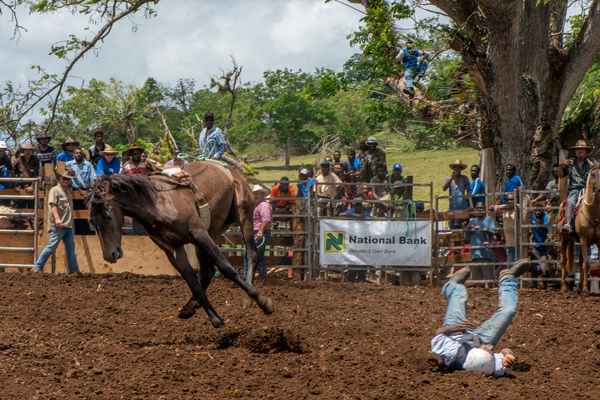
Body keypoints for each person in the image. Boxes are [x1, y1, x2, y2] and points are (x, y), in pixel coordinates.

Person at [431, 259, 531, 376]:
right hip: (480, 340)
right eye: (492, 351)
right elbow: (504, 350)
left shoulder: (452, 352)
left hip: (454, 333)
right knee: (508, 311)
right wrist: (507, 355)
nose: (491, 347)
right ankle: (508, 277)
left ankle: (451, 285)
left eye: (487, 349)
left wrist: (457, 327)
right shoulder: (490, 366)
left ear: (475, 352)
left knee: (460, 292)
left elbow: (439, 334)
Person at [33, 168, 81, 274]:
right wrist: (57, 219)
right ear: (60, 178)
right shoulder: (55, 190)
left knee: (70, 248)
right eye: (64, 178)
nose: (66, 181)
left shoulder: (67, 192)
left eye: (68, 179)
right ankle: (38, 266)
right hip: (59, 224)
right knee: (52, 246)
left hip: (68, 225)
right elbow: (52, 205)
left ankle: (75, 271)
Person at [560, 140, 597, 233]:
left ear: (585, 151)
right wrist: (561, 165)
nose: (580, 151)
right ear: (575, 151)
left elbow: (597, 173)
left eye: (582, 149)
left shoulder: (591, 162)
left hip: (588, 189)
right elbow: (561, 175)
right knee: (570, 201)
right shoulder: (570, 162)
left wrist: (594, 167)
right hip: (575, 189)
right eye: (577, 149)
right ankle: (567, 224)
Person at [244, 184, 272, 279]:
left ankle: (249, 276)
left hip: (260, 233)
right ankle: (260, 276)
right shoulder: (255, 205)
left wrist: (261, 231)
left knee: (250, 253)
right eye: (254, 194)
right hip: (255, 233)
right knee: (256, 254)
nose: (256, 196)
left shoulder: (263, 205)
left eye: (258, 194)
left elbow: (266, 220)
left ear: (263, 195)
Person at [464, 202, 496, 285]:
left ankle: (491, 295)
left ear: (484, 210)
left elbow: (493, 232)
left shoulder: (488, 219)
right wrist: (467, 228)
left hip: (486, 255)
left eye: (481, 208)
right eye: (478, 208)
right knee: (477, 281)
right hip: (475, 255)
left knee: (489, 279)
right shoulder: (472, 221)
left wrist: (482, 229)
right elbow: (466, 236)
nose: (479, 210)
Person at [529, 115, 561, 191]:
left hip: (545, 157)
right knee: (533, 176)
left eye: (545, 121)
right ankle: (533, 191)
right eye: (542, 121)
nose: (543, 122)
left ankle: (539, 192)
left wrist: (561, 150)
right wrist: (531, 155)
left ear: (548, 121)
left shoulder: (552, 131)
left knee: (542, 175)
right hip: (536, 155)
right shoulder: (538, 129)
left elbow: (556, 140)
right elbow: (534, 143)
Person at [443, 159, 473, 230]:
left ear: (461, 169)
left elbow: (468, 192)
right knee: (452, 226)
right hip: (452, 206)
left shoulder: (464, 178)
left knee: (457, 225)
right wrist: (451, 179)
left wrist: (471, 205)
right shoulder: (449, 178)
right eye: (455, 168)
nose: (457, 170)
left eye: (459, 168)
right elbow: (444, 188)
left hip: (462, 206)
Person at [490, 194, 517, 264]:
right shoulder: (504, 209)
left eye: (512, 199)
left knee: (519, 267)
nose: (510, 201)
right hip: (509, 244)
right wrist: (495, 207)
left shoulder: (517, 207)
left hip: (519, 243)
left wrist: (499, 208)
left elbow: (512, 206)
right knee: (510, 267)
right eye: (507, 200)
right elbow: (490, 208)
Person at [530, 203, 550, 289]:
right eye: (536, 210)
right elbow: (533, 230)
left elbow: (546, 229)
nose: (537, 212)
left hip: (544, 246)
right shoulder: (532, 217)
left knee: (544, 269)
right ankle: (535, 288)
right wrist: (531, 241)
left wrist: (539, 225)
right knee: (534, 268)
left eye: (539, 210)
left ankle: (544, 288)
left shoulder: (545, 217)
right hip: (535, 245)